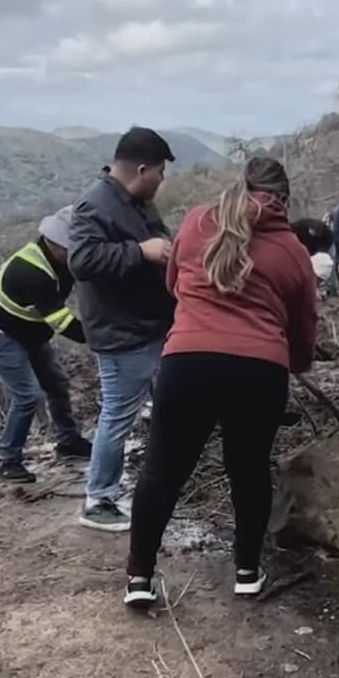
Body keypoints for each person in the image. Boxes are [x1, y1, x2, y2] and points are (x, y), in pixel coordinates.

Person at [123, 156, 318, 608]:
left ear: (241, 184)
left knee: (162, 470)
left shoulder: (197, 221)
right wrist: (296, 364)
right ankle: (247, 572)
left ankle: (139, 577)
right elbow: (304, 323)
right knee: (249, 470)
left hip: (187, 360)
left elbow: (173, 283)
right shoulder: (292, 249)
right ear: (283, 199)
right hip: (260, 369)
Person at [68, 126, 177, 531]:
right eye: (160, 172)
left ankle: (158, 478)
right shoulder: (93, 204)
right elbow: (82, 261)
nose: (162, 180)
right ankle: (98, 498)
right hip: (122, 333)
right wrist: (140, 251)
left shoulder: (137, 201)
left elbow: (155, 238)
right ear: (142, 169)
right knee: (117, 416)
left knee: (162, 402)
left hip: (150, 324)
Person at [0, 206, 94, 483]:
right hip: (0, 335)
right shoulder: (32, 272)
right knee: (28, 396)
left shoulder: (61, 261)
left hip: (29, 332)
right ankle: (7, 461)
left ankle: (68, 441)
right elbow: (64, 324)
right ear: (58, 244)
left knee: (57, 383)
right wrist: (107, 335)